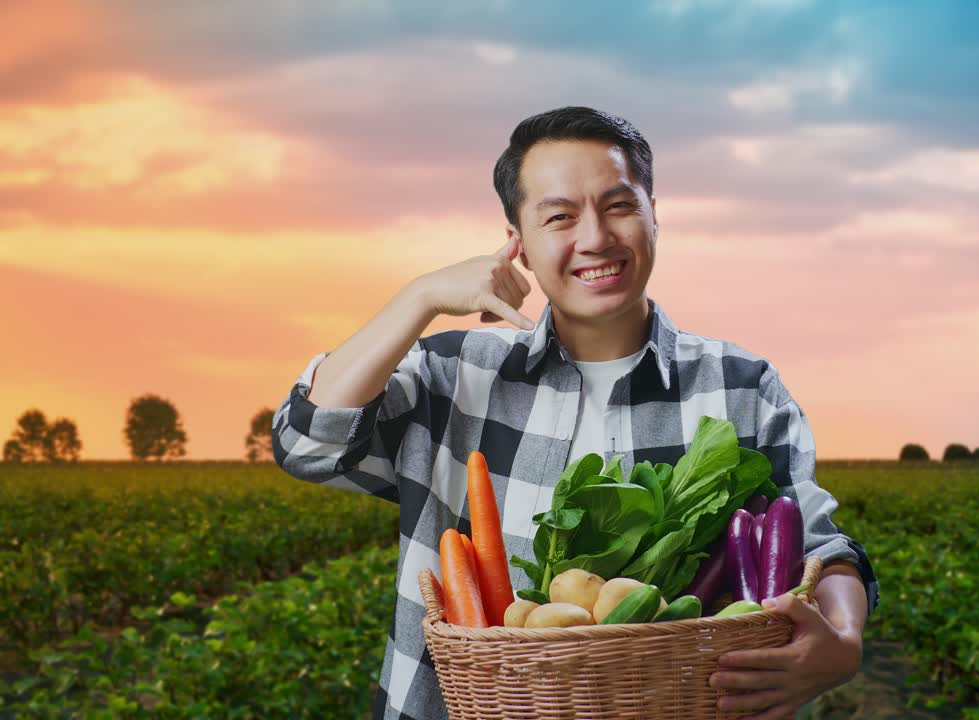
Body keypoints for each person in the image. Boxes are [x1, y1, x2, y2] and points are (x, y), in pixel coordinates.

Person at [273, 106, 879, 720]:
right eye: (559, 217)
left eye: (619, 206)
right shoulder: (450, 375)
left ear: (653, 218)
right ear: (520, 246)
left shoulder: (742, 388)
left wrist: (845, 643)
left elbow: (819, 547)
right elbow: (307, 445)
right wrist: (421, 295)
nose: (595, 237)